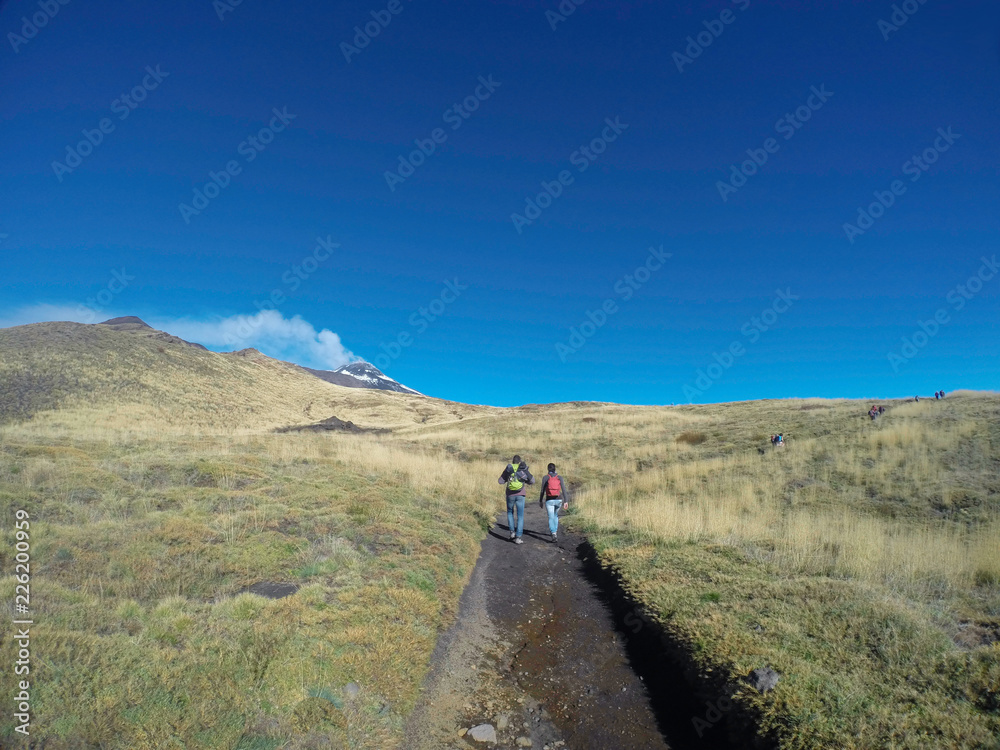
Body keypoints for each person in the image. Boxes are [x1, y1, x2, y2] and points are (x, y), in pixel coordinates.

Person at [499, 455, 534, 544]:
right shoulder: (522, 468)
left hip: (510, 495)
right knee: (520, 516)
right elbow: (532, 481)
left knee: (510, 513)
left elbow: (500, 481)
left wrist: (507, 477)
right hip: (520, 495)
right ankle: (518, 538)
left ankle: (512, 533)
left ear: (512, 461)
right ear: (519, 461)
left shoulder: (508, 468)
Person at [538, 463, 570, 542]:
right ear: (555, 469)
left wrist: (540, 500)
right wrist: (566, 501)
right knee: (555, 515)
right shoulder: (559, 477)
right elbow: (564, 490)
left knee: (551, 516)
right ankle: (555, 531)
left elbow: (542, 490)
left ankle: (553, 533)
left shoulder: (545, 478)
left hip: (549, 500)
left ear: (548, 469)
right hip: (559, 500)